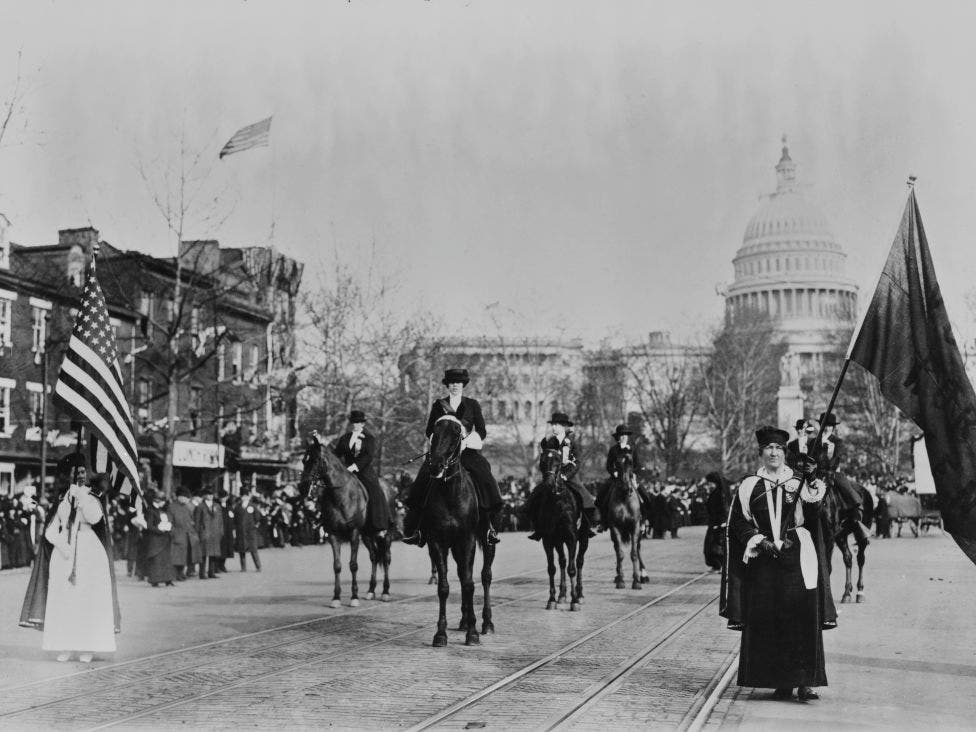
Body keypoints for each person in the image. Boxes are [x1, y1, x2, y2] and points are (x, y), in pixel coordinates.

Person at [721, 426, 833, 701]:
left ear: (785, 453)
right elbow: (738, 522)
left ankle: (806, 681)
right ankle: (781, 681)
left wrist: (811, 478)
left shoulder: (798, 482)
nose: (774, 453)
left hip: (797, 555)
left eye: (779, 449)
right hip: (764, 558)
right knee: (771, 619)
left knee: (802, 617)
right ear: (761, 452)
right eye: (769, 448)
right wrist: (759, 540)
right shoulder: (749, 485)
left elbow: (814, 511)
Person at [402, 368, 504, 546]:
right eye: (451, 383)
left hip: (467, 452)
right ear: (447, 385)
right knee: (422, 479)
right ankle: (418, 529)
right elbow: (429, 430)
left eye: (458, 383)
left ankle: (488, 526)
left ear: (463, 385)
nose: (455, 386)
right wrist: (438, 444)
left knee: (485, 478)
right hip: (442, 452)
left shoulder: (472, 404)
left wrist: (466, 441)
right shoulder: (438, 405)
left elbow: (481, 430)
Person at [40, 453, 118, 663]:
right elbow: (51, 530)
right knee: (65, 599)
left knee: (87, 598)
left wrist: (81, 498)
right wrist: (62, 545)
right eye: (77, 472)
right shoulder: (62, 498)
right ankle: (66, 645)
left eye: (83, 472)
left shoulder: (92, 496)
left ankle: (87, 646)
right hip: (65, 553)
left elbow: (95, 518)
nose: (81, 476)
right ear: (69, 475)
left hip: (88, 551)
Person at [526, 412, 601, 540]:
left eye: (556, 425)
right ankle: (538, 527)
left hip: (569, 477)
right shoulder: (550, 442)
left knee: (585, 497)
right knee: (536, 495)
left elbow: (577, 462)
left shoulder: (572, 442)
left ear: (563, 426)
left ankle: (587, 526)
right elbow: (545, 460)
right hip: (552, 477)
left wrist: (566, 476)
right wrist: (548, 473)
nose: (553, 427)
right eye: (553, 425)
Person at [333, 410, 392, 536]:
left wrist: (355, 467)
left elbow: (368, 456)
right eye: (353, 422)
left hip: (363, 471)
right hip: (347, 472)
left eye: (358, 422)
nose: (355, 424)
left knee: (374, 491)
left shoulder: (369, 438)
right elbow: (337, 454)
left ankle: (379, 525)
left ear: (362, 424)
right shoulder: (344, 438)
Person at [596, 424, 652, 521]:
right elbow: (609, 465)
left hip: (631, 477)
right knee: (601, 494)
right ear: (618, 437)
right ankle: (603, 520)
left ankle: (645, 518)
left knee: (645, 495)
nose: (624, 437)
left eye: (625, 435)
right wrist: (614, 472)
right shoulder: (613, 450)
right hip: (616, 478)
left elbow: (637, 465)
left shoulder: (632, 449)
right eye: (621, 435)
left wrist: (634, 474)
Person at [142, 490, 175, 587]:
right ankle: (155, 580)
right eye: (162, 501)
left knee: (166, 560)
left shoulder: (163, 510)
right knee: (156, 560)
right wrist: (160, 530)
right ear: (157, 500)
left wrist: (169, 527)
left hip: (165, 538)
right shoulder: (150, 511)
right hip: (155, 539)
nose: (164, 503)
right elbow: (149, 526)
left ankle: (168, 580)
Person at [169, 489, 201, 580]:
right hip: (177, 534)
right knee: (176, 556)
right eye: (186, 497)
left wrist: (193, 532)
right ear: (180, 497)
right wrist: (173, 533)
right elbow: (169, 522)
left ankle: (181, 572)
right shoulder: (172, 507)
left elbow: (191, 520)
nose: (187, 499)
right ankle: (176, 574)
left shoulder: (186, 507)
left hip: (187, 534)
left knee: (185, 556)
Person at [193, 487, 224, 579]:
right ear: (204, 495)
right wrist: (197, 532)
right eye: (208, 494)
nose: (210, 496)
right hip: (204, 532)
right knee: (203, 554)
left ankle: (211, 572)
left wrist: (221, 531)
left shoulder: (217, 506)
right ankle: (202, 573)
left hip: (215, 533)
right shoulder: (200, 507)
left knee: (213, 553)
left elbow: (220, 520)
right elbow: (197, 521)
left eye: (211, 494)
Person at [703, 471, 730, 570]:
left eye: (710, 483)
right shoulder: (715, 493)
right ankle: (716, 565)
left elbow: (724, 509)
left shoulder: (720, 494)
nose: (708, 485)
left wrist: (722, 523)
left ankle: (719, 565)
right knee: (712, 545)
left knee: (716, 545)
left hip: (719, 524)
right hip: (714, 522)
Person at [234, 492, 262, 571]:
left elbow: (257, 517)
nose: (244, 498)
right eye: (243, 496)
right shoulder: (238, 507)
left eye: (246, 496)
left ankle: (258, 566)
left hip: (250, 531)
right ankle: (243, 567)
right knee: (241, 550)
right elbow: (235, 519)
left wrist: (255, 526)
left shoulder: (253, 506)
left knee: (253, 549)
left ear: (248, 497)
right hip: (241, 531)